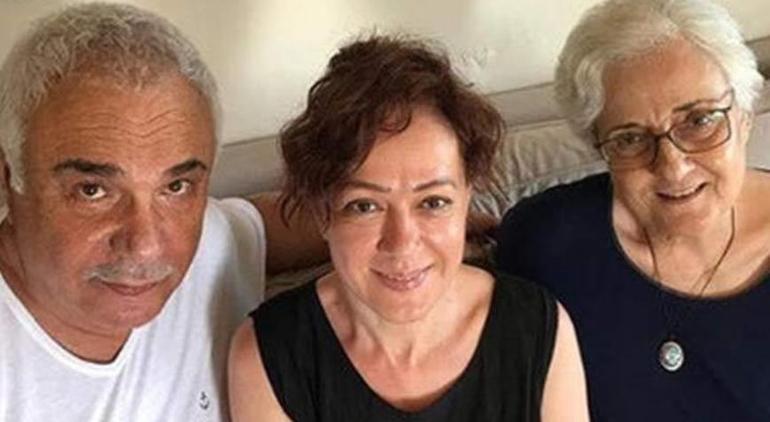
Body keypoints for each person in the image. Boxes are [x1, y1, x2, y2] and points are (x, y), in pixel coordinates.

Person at [228, 35, 589, 422]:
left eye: (433, 203)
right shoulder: (268, 354)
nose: (402, 242)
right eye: (364, 206)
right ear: (321, 213)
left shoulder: (537, 328)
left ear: (466, 199)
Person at [0, 3, 324, 421]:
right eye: (93, 191)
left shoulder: (212, 243)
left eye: (175, 187)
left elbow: (328, 224)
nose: (147, 246)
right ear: (9, 177)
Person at [496, 0, 770, 420]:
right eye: (630, 139)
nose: (672, 167)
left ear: (746, 114)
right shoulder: (547, 242)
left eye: (699, 121)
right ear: (599, 147)